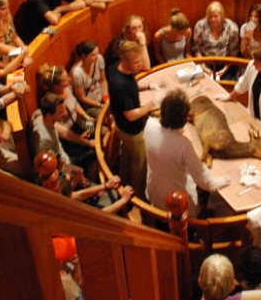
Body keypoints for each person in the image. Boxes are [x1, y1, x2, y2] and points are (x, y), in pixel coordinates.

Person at [144, 89, 230, 216]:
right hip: (177, 202)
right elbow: (203, 180)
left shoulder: (149, 124)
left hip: (155, 191)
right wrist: (220, 181)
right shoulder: (183, 145)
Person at [106, 40, 159, 199]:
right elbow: (131, 115)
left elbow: (131, 84)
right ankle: (138, 196)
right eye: (136, 62)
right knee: (140, 164)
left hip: (122, 128)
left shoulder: (116, 70)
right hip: (133, 131)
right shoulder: (120, 84)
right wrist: (152, 103)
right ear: (125, 61)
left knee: (127, 156)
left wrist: (147, 86)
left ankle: (124, 181)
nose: (140, 64)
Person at [38, 65, 98, 178]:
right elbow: (66, 134)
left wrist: (86, 117)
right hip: (71, 138)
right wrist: (86, 142)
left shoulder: (66, 89)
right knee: (95, 149)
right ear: (56, 86)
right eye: (65, 80)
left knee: (97, 132)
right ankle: (90, 179)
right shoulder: (53, 103)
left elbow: (75, 104)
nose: (70, 80)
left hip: (80, 125)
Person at [192, 1, 240, 81]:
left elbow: (234, 52)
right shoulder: (200, 25)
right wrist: (203, 68)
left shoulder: (232, 27)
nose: (213, 19)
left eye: (216, 16)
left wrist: (224, 70)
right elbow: (196, 48)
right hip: (205, 60)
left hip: (225, 62)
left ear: (222, 15)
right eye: (210, 16)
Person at [28, 92, 71, 165]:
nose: (65, 114)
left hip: (62, 156)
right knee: (90, 154)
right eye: (61, 112)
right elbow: (45, 166)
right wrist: (68, 166)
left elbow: (58, 146)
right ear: (49, 115)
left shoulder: (40, 113)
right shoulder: (44, 140)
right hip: (60, 165)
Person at [71, 40, 109, 117]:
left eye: (97, 53)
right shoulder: (76, 73)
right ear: (84, 56)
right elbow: (81, 98)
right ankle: (91, 128)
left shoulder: (99, 59)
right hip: (88, 106)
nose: (97, 57)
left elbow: (103, 80)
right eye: (93, 55)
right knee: (106, 118)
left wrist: (106, 98)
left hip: (101, 97)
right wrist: (100, 105)